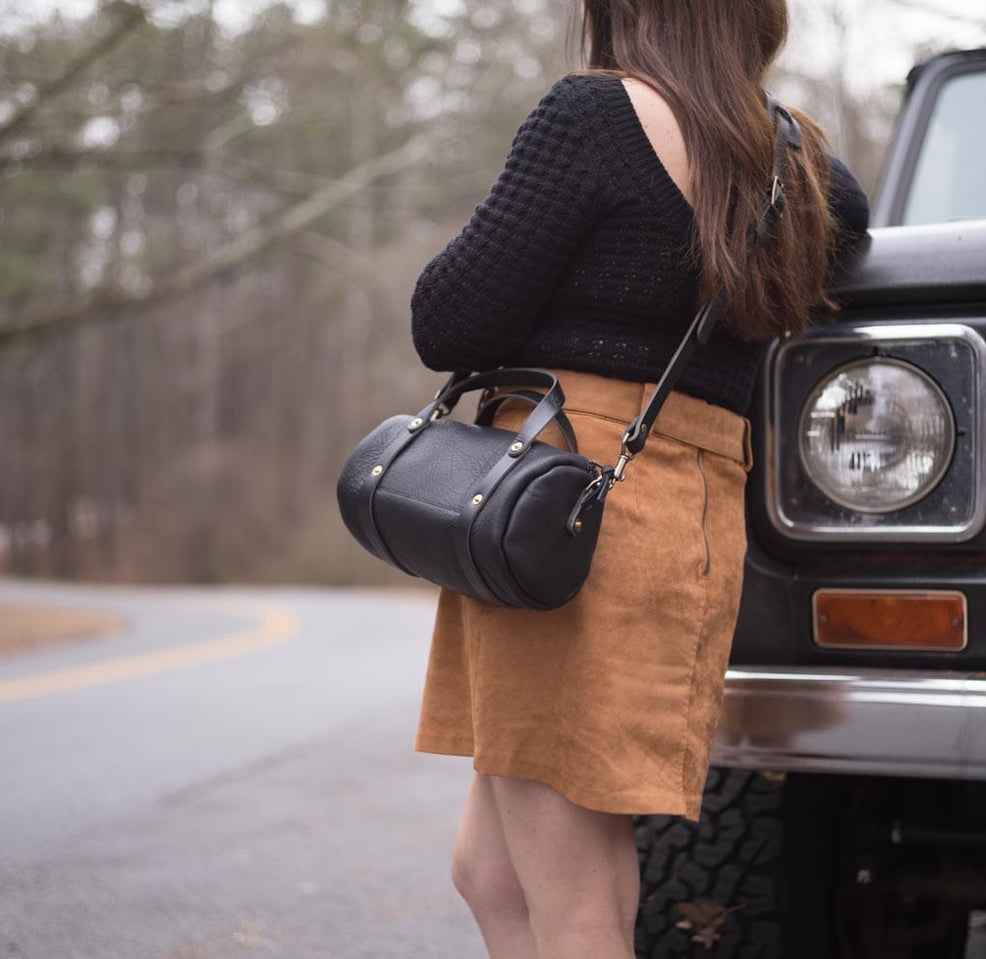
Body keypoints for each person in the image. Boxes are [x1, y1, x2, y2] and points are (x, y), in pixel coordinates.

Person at [407, 1, 870, 956]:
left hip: (562, 506)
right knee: (490, 871)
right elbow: (853, 229)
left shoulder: (591, 119)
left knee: (578, 905)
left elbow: (446, 321)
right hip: (684, 518)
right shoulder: (797, 167)